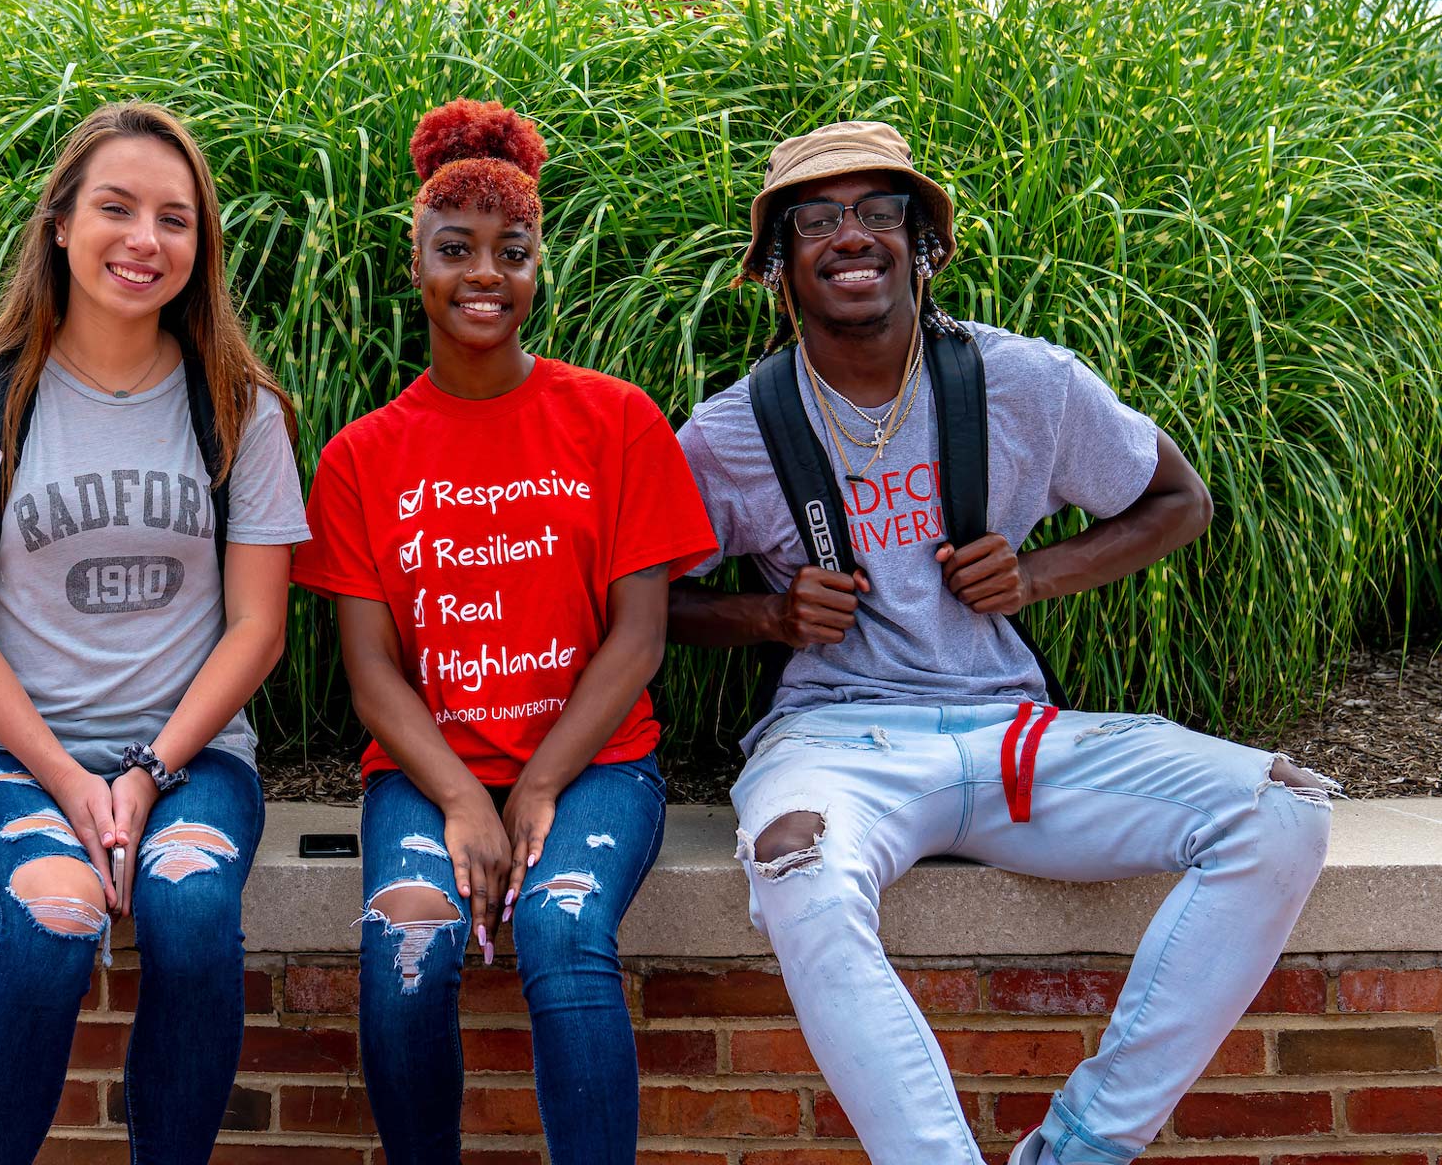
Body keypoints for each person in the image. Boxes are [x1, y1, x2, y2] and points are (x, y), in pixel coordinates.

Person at [667, 120, 1337, 1165]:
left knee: (1279, 812)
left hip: (1016, 733)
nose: (853, 235)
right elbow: (631, 604)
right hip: (839, 745)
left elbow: (1180, 499)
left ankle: (1078, 1147)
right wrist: (766, 614)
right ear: (778, 266)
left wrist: (1037, 574)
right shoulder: (730, 433)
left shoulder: (1025, 382)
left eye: (880, 212)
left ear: (922, 243)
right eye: (817, 218)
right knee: (796, 866)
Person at [292, 98, 716, 1165]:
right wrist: (459, 798)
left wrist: (533, 787)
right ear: (418, 266)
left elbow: (639, 637)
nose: (484, 273)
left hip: (598, 769)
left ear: (537, 270)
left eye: (510, 251)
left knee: (563, 935)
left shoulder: (615, 420)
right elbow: (373, 672)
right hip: (426, 771)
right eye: (456, 249)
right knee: (407, 947)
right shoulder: (359, 457)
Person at [0, 102, 307, 1165]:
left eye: (175, 219)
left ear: (198, 247)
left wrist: (148, 772)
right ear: (61, 224)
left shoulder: (239, 408)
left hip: (192, 757)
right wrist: (73, 785)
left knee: (192, 913)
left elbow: (258, 628)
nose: (144, 240)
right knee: (56, 923)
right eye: (116, 208)